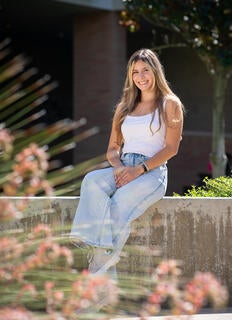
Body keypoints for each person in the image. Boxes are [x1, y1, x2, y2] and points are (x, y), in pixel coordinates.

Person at [70, 48, 184, 276]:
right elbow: (113, 149)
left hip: (152, 172)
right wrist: (121, 167)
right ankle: (90, 243)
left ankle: (96, 276)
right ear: (130, 76)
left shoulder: (170, 103)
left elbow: (171, 148)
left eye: (145, 70)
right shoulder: (124, 107)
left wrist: (139, 170)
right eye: (135, 72)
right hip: (124, 166)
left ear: (155, 72)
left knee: (116, 206)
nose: (141, 77)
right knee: (92, 181)